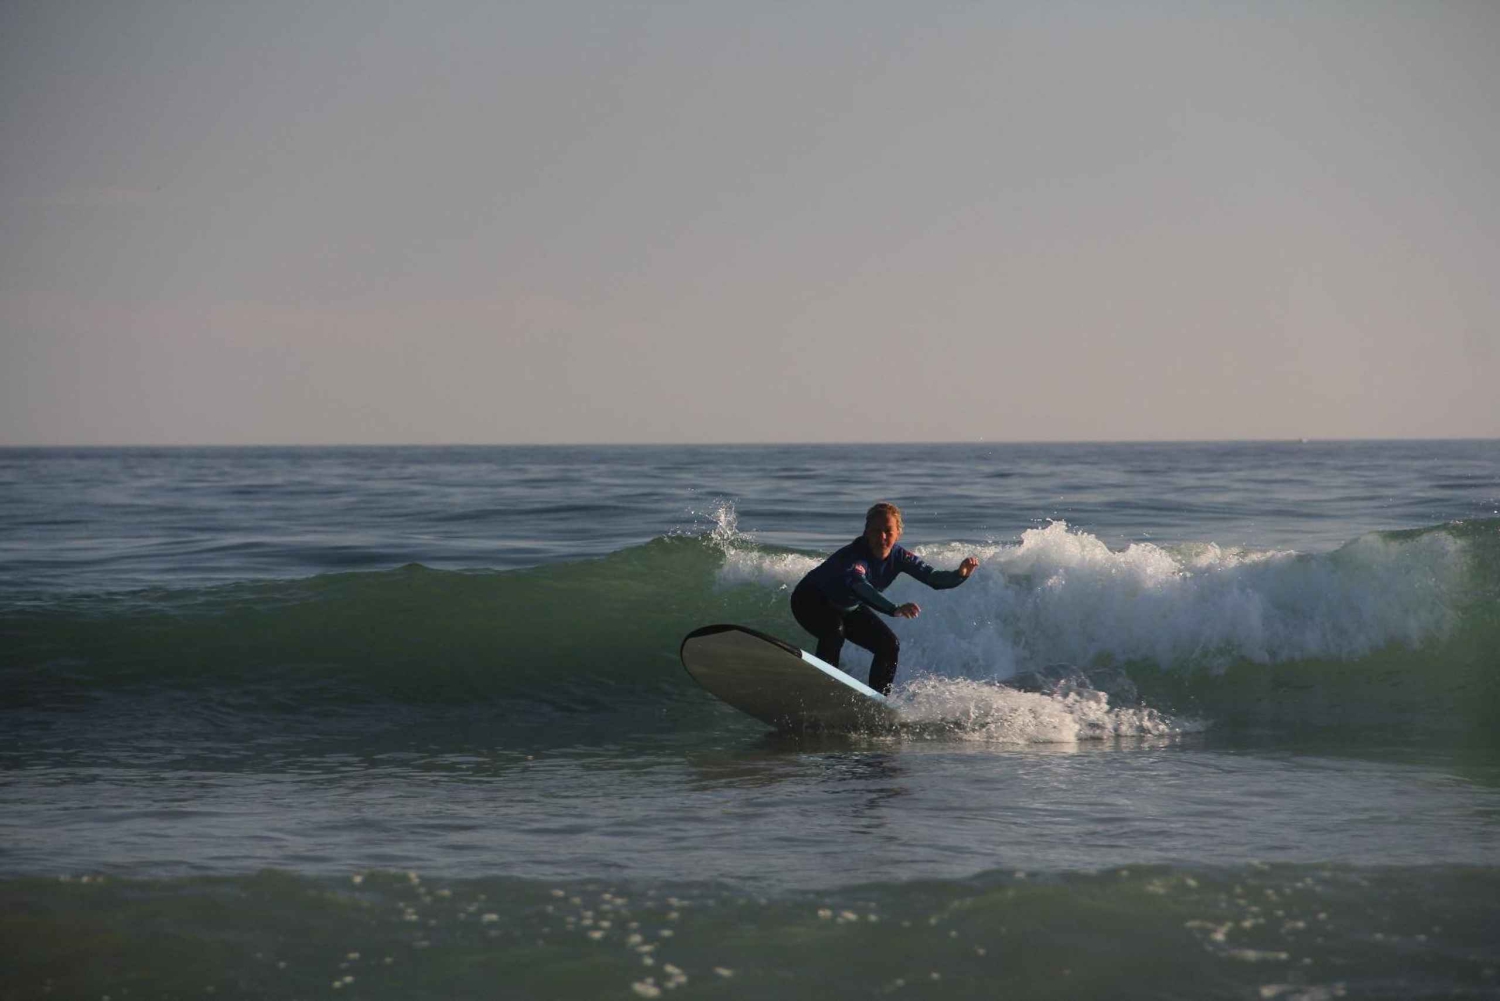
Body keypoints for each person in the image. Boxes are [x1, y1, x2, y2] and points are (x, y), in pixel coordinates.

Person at [791, 502, 979, 695]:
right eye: (876, 531)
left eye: (888, 531)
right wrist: (893, 608)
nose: (882, 537)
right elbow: (859, 585)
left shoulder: (899, 556)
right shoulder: (854, 556)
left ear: (898, 533)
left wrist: (960, 574)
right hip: (810, 600)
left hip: (847, 606)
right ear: (866, 532)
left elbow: (933, 578)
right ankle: (822, 689)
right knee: (834, 632)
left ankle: (878, 700)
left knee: (889, 645)